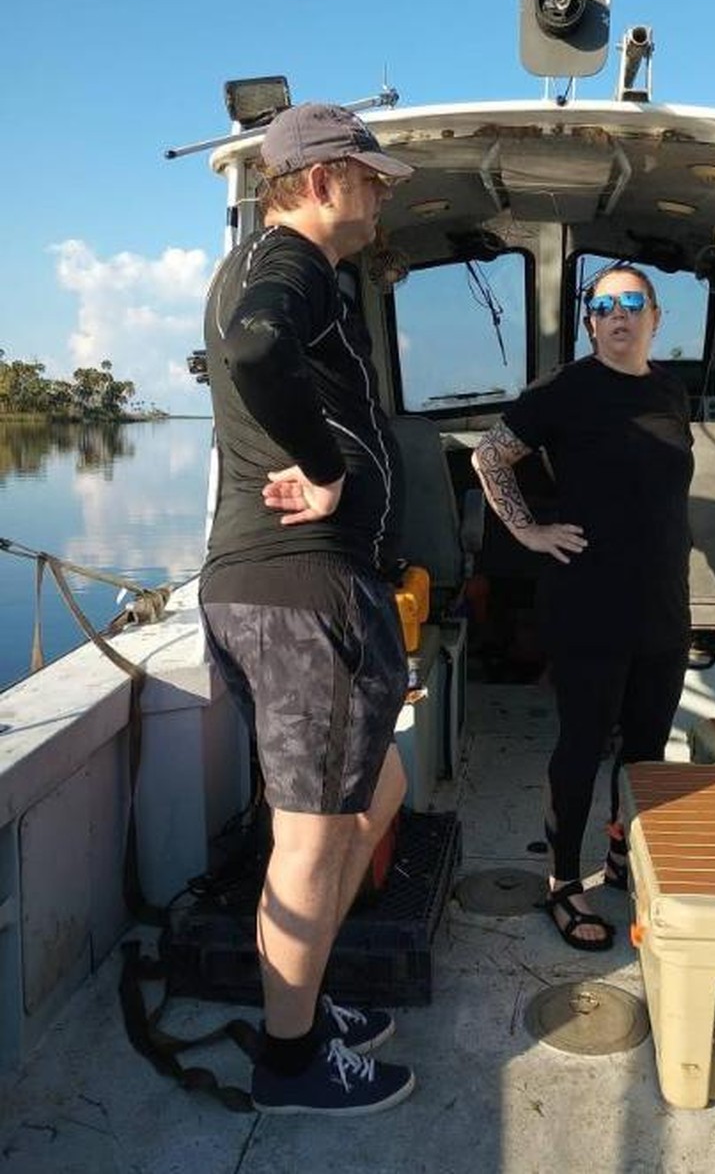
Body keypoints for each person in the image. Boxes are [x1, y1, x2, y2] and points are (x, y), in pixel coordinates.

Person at [199, 102, 417, 1114]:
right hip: (302, 589)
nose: (381, 192)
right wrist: (328, 471)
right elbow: (252, 352)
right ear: (325, 178)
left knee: (380, 792)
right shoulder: (290, 262)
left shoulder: (265, 261)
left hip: (291, 591)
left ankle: (303, 999)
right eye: (371, 177)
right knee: (315, 838)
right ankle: (290, 1063)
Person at [470, 265, 693, 950]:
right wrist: (529, 530)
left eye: (632, 302)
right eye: (604, 305)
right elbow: (489, 456)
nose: (618, 314)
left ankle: (625, 852)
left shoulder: (671, 391)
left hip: (663, 603)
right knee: (581, 746)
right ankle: (564, 881)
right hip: (588, 600)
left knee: (648, 750)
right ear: (591, 322)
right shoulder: (566, 389)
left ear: (655, 316)